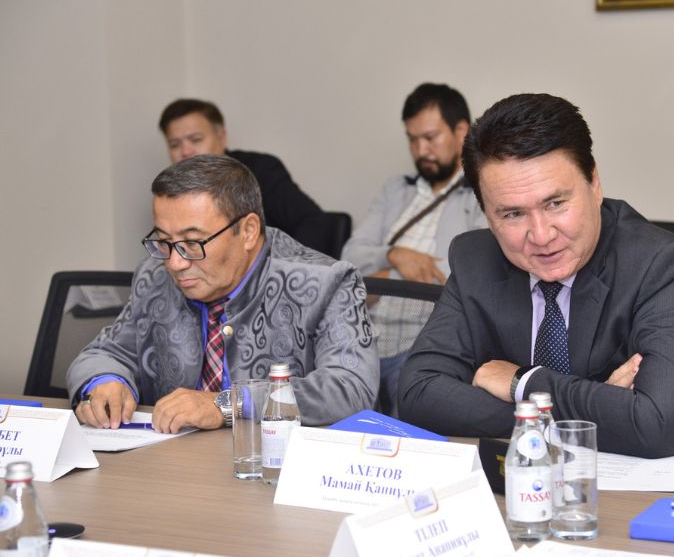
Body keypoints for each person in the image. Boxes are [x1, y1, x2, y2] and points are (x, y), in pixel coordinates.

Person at [398, 93, 674, 460]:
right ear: (486, 214)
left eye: (555, 204)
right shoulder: (476, 259)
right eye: (513, 214)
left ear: (594, 182)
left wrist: (521, 381)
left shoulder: (661, 265)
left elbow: (658, 426)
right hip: (534, 480)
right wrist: (583, 412)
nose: (541, 235)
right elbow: (418, 392)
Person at [67, 154, 378, 432]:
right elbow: (104, 353)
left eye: (192, 243)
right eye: (163, 241)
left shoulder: (326, 282)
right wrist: (107, 382)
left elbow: (350, 388)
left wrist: (228, 404)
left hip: (276, 466)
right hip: (174, 463)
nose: (175, 263)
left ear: (248, 231)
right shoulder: (155, 276)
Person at [341, 83, 486, 413]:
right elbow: (350, 256)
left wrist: (381, 279)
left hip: (426, 343)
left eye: (430, 137)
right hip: (362, 338)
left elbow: (465, 272)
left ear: (461, 131)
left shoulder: (481, 192)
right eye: (412, 139)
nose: (421, 150)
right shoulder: (396, 190)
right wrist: (395, 256)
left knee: (408, 418)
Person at [159, 98, 334, 254]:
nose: (185, 152)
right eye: (174, 144)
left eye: (196, 139)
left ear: (221, 137)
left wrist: (282, 269)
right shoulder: (171, 191)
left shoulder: (261, 170)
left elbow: (314, 222)